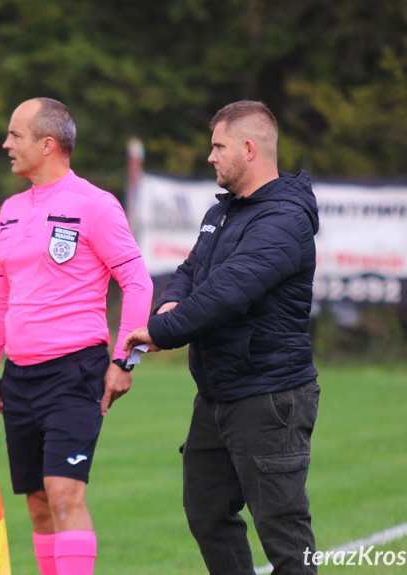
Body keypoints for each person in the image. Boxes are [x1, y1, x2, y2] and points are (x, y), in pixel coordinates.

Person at [123, 100, 320, 574]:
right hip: (217, 393)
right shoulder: (225, 211)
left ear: (249, 149)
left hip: (269, 395)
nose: (210, 156)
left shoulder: (284, 221)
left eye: (218, 146)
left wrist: (161, 329)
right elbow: (192, 270)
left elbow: (229, 293)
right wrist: (171, 303)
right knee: (207, 513)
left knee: (284, 533)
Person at [0, 97, 153, 575]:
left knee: (64, 493)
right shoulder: (10, 210)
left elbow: (138, 283)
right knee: (37, 503)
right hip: (19, 377)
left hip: (75, 371)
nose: (6, 144)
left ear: (47, 144)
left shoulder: (95, 205)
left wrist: (125, 360)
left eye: (16, 135)